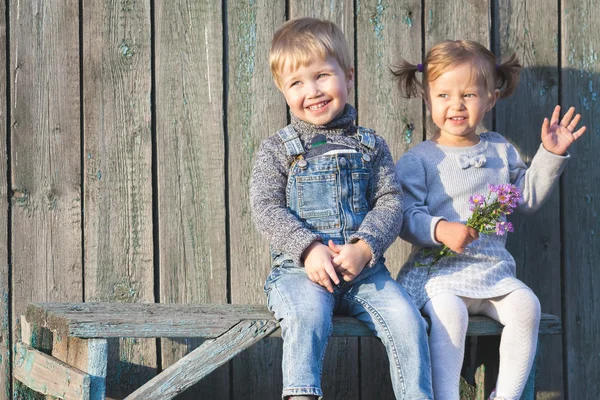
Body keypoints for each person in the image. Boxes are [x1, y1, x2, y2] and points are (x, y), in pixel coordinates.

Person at [250, 17, 433, 400]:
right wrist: (308, 248)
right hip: (301, 272)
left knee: (407, 320)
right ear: (282, 90)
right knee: (307, 316)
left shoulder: (371, 145)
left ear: (348, 76)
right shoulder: (278, 148)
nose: (312, 91)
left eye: (322, 76)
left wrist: (366, 246)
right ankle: (302, 395)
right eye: (296, 82)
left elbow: (390, 201)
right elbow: (265, 207)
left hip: (366, 272)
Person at [392, 40, 586, 400]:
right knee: (449, 316)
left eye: (468, 95)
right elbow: (405, 216)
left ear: (490, 99)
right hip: (442, 276)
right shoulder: (420, 159)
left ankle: (505, 396)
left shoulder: (499, 150)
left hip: (493, 272)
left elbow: (524, 197)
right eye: (444, 95)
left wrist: (549, 155)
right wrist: (439, 229)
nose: (456, 105)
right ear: (428, 98)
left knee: (527, 306)